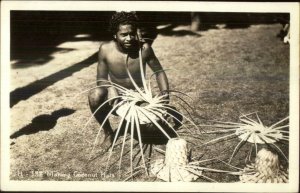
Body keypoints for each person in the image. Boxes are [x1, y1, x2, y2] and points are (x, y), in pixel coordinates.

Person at [88, 12, 181, 151]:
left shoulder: (144, 49)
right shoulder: (105, 49)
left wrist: (165, 95)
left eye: (132, 33)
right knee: (95, 95)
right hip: (117, 97)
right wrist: (111, 88)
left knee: (151, 130)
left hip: (139, 96)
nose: (129, 38)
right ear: (115, 35)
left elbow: (159, 72)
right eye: (123, 35)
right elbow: (101, 79)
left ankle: (139, 120)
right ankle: (108, 133)